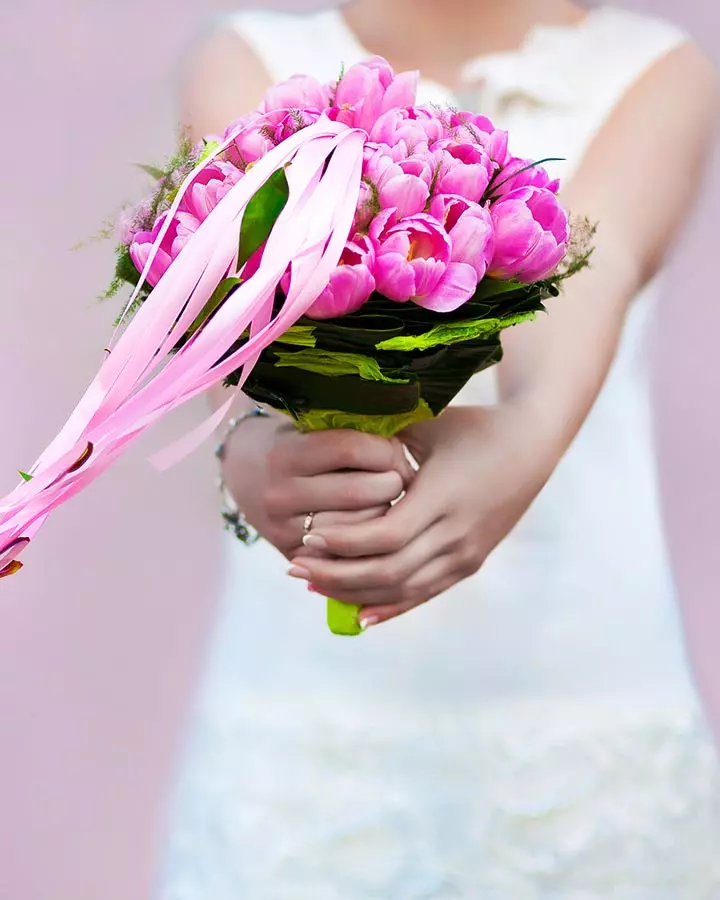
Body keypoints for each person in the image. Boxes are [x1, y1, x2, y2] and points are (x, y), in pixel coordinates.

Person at [157, 1, 720, 896]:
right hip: (307, 741)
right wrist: (251, 452)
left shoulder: (661, 73)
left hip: (582, 723)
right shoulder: (250, 60)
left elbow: (585, 267)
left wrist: (525, 439)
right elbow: (223, 342)